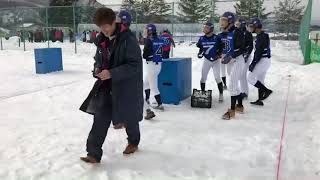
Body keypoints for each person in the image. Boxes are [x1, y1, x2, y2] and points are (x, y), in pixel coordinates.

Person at [80, 8, 143, 163]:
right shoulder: (101, 40)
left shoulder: (128, 40)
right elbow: (98, 60)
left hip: (126, 86)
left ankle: (133, 142)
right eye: (101, 27)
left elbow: (134, 65)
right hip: (106, 86)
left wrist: (113, 73)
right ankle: (93, 153)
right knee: (100, 117)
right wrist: (97, 69)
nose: (104, 30)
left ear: (114, 22)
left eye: (106, 26)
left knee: (129, 117)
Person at [219, 12, 246, 120]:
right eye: (222, 19)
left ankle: (232, 111)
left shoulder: (237, 32)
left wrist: (230, 55)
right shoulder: (226, 32)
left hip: (237, 60)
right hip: (231, 61)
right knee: (234, 85)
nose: (222, 22)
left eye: (224, 20)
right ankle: (240, 106)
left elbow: (241, 48)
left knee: (232, 85)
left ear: (230, 21)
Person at [247, 17, 273, 106]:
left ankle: (267, 91)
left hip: (263, 60)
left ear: (256, 26)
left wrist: (253, 64)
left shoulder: (262, 36)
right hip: (265, 60)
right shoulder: (262, 35)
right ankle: (260, 100)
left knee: (250, 78)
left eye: (252, 26)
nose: (250, 28)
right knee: (260, 80)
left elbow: (258, 52)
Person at [196, 22, 224, 102]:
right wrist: (200, 53)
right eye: (204, 27)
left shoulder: (217, 38)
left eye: (207, 27)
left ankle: (221, 94)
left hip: (216, 60)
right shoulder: (201, 38)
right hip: (207, 60)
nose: (204, 29)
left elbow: (222, 47)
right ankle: (203, 93)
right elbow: (201, 49)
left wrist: (219, 55)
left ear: (211, 29)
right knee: (203, 78)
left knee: (217, 77)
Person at [143, 24, 165, 115]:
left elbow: (145, 55)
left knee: (153, 87)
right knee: (145, 82)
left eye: (147, 30)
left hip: (152, 65)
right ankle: (147, 100)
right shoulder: (159, 39)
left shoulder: (149, 40)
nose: (145, 32)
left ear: (150, 31)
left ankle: (160, 104)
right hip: (158, 64)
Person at [236, 17, 253, 99]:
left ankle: (245, 93)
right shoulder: (236, 33)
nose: (237, 25)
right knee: (239, 75)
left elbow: (250, 46)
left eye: (239, 24)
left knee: (242, 75)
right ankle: (242, 92)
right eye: (237, 24)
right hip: (239, 56)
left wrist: (247, 54)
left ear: (242, 24)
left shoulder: (247, 33)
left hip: (246, 57)